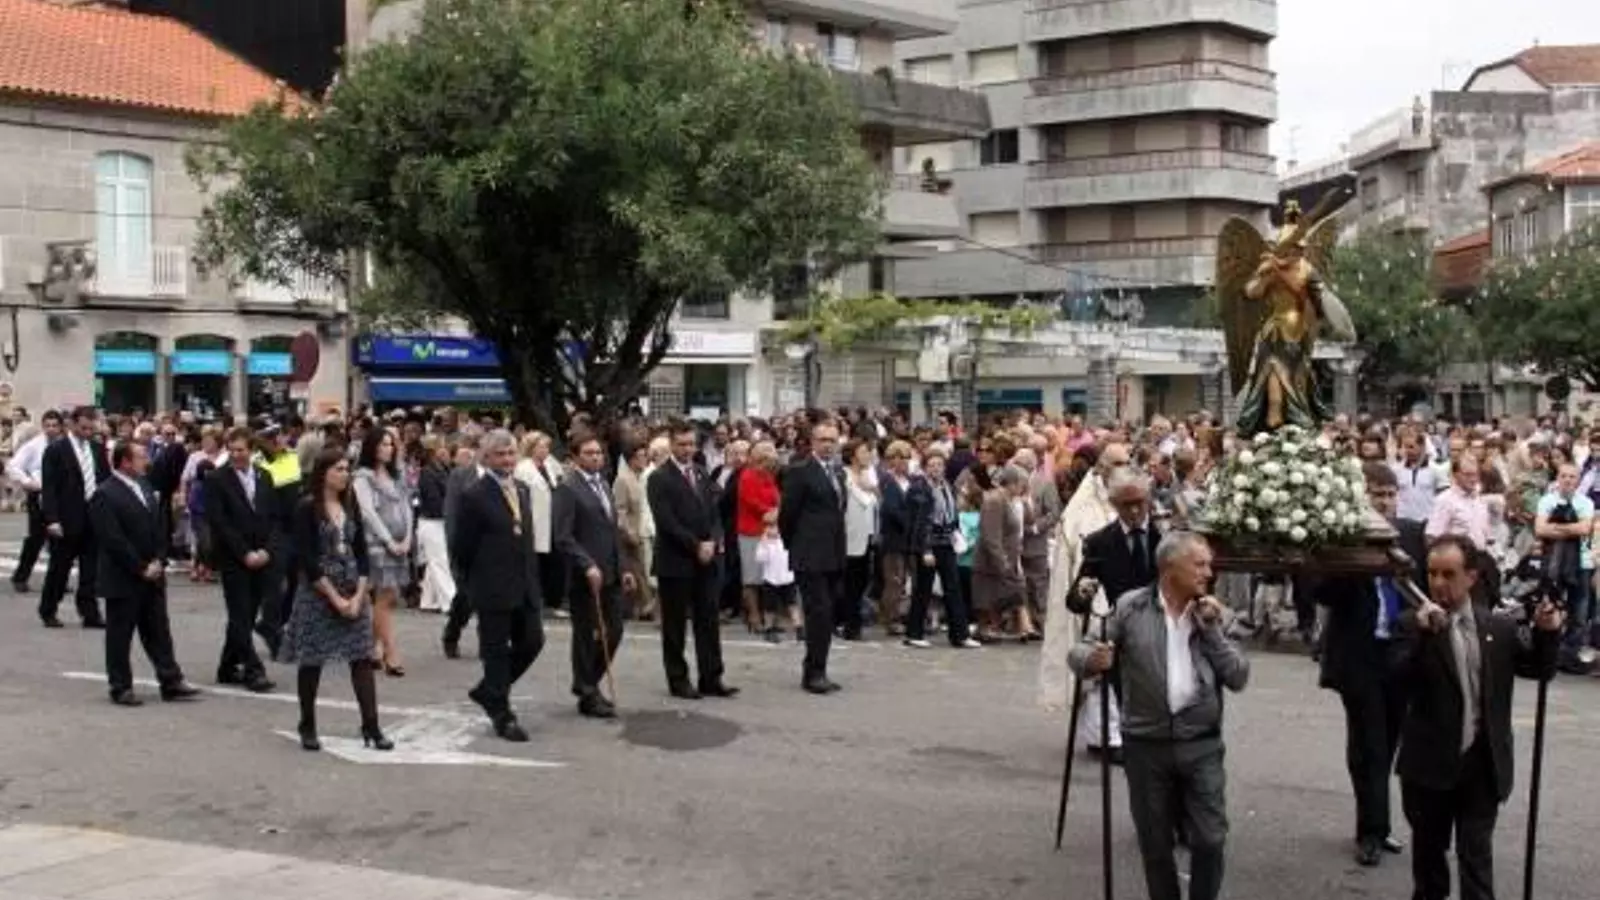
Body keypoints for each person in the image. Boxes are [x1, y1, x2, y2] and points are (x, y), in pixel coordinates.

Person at [1069, 531, 1249, 900]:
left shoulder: (1215, 612)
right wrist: (1092, 659)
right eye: (1199, 564)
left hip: (1201, 743)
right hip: (1145, 744)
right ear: (1170, 568)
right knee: (1155, 843)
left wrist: (1213, 631)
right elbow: (1081, 650)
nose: (1208, 573)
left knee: (1210, 839)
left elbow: (1238, 676)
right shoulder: (1131, 607)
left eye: (1208, 565)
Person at [1397, 535, 1561, 900]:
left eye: (1449, 574)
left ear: (1471, 577)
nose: (1438, 583)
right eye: (1432, 573)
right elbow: (1395, 681)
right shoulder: (1411, 625)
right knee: (1429, 866)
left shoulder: (1498, 629)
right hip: (1429, 768)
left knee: (1476, 861)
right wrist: (1423, 638)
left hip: (1482, 766)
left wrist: (1547, 633)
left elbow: (1539, 668)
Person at [1314, 462, 1420, 867]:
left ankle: (1379, 822)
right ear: (1363, 498)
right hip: (1359, 657)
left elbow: (1422, 589)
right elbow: (1319, 590)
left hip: (1399, 655)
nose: (1385, 502)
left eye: (1390, 495)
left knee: (1387, 744)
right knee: (1369, 745)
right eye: (1378, 495)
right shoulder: (1345, 538)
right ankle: (1370, 832)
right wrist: (1352, 559)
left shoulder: (1410, 534)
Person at [279, 449, 393, 752]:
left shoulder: (350, 505)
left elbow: (362, 553)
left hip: (352, 587)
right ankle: (307, 724)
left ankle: (371, 726)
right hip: (318, 592)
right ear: (323, 473)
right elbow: (307, 558)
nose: (345, 474)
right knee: (312, 659)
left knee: (361, 657)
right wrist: (333, 597)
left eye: (346, 469)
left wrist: (358, 594)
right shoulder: (307, 507)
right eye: (339, 469)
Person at [88, 440, 199, 707]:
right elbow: (112, 539)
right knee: (120, 634)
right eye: (140, 457)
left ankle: (170, 680)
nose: (146, 462)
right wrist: (139, 567)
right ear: (125, 462)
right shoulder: (105, 493)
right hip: (123, 576)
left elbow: (159, 525)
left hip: (153, 572)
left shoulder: (145, 486)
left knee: (158, 631)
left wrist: (160, 558)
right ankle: (121, 686)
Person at [452, 429, 545, 742]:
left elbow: (526, 538)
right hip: (492, 587)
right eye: (500, 455)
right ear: (486, 457)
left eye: (511, 454)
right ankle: (503, 716)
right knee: (494, 652)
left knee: (532, 641)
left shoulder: (522, 489)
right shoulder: (474, 495)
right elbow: (462, 547)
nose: (507, 460)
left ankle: (490, 690)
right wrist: (473, 583)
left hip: (524, 584)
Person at [1072, 468, 1165, 765]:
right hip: (1124, 631)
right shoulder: (1100, 542)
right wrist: (1083, 592)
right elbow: (1074, 600)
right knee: (1123, 689)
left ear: (1149, 498)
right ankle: (1120, 739)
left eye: (1140, 502)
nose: (1135, 511)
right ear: (1113, 504)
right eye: (1127, 505)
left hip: (1164, 626)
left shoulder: (1167, 538)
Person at [647, 422, 737, 700]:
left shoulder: (700, 472)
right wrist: (695, 544)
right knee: (675, 625)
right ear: (671, 444)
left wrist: (713, 540)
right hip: (676, 560)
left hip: (706, 560)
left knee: (708, 620)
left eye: (691, 444)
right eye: (682, 444)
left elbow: (713, 513)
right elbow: (666, 521)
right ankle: (678, 679)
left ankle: (711, 676)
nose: (687, 449)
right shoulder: (659, 478)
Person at [552, 435, 629, 720]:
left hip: (610, 571)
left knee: (615, 630)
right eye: (588, 453)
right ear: (575, 457)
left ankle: (586, 681)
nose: (596, 457)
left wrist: (624, 568)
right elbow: (563, 536)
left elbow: (612, 530)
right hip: (584, 574)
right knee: (585, 635)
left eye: (598, 452)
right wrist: (586, 564)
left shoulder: (604, 484)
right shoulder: (568, 488)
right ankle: (587, 691)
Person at [205, 427, 280, 693]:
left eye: (241, 450)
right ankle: (253, 669)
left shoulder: (264, 476)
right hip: (233, 558)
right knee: (239, 613)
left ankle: (227, 666)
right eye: (232, 450)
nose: (236, 455)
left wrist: (267, 550)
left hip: (262, 555)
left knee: (247, 615)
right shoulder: (216, 479)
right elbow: (220, 522)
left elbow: (273, 517)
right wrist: (244, 553)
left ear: (252, 450)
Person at [778, 420, 847, 694]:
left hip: (833, 553)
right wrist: (795, 545)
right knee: (818, 612)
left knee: (827, 613)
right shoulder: (800, 472)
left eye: (832, 440)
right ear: (813, 442)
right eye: (822, 440)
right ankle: (813, 673)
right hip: (809, 553)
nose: (828, 445)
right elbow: (787, 515)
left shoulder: (838, 473)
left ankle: (820, 667)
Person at [39, 405, 109, 629]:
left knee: (91, 570)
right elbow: (49, 487)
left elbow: (104, 481)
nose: (87, 432)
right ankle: (48, 609)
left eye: (91, 428)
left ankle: (89, 612)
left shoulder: (97, 449)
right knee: (60, 568)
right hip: (66, 518)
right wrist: (52, 519)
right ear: (72, 424)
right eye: (83, 428)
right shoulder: (56, 450)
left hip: (93, 517)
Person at [353, 427, 415, 676]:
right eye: (383, 444)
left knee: (387, 597)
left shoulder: (396, 476)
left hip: (400, 541)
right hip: (376, 544)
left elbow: (407, 507)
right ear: (372, 447)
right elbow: (368, 513)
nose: (388, 449)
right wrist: (389, 541)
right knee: (385, 596)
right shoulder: (363, 477)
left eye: (391, 444)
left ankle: (373, 648)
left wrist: (408, 537)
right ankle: (390, 652)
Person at [8, 409, 62, 593]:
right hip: (38, 494)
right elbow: (13, 466)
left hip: (59, 497)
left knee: (59, 540)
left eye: (54, 426)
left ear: (60, 427)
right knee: (36, 539)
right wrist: (27, 481)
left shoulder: (64, 445)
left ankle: (57, 580)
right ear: (43, 426)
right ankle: (20, 576)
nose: (51, 429)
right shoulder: (34, 445)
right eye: (47, 425)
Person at [440, 434, 483, 658]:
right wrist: (453, 546)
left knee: (490, 597)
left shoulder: (507, 477)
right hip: (466, 546)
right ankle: (452, 632)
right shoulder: (461, 475)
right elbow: (452, 513)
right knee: (466, 596)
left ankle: (489, 642)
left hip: (493, 548)